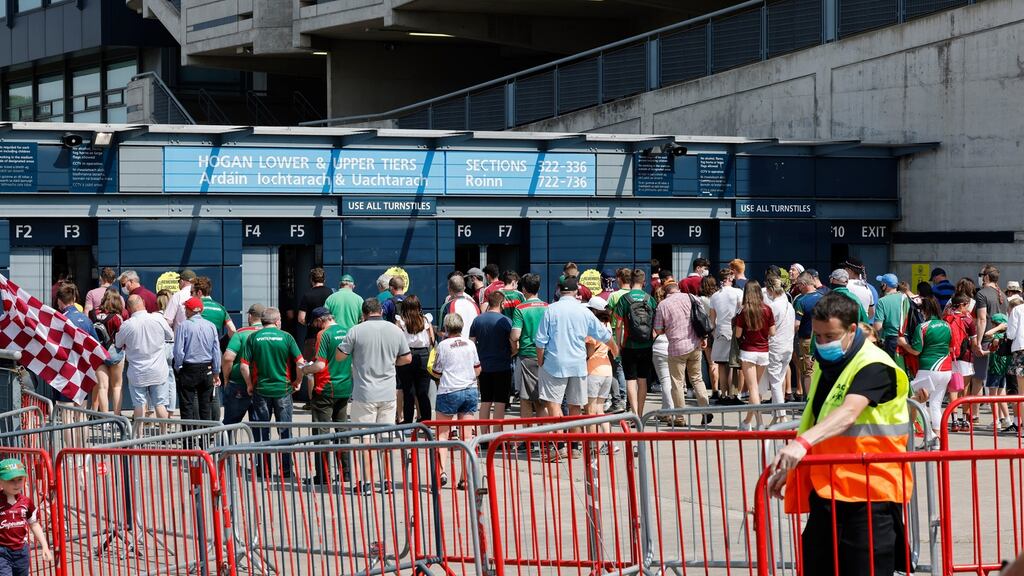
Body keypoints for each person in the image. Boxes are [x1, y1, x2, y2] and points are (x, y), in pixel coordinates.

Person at [768, 292, 911, 576]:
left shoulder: (875, 365)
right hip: (828, 493)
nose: (822, 343)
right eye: (818, 336)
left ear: (853, 330)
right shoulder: (829, 364)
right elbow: (816, 419)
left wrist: (800, 444)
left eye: (830, 336)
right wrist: (796, 465)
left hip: (870, 497)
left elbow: (848, 413)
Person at [535, 276, 614, 447]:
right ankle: (574, 445)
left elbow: (540, 341)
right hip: (578, 365)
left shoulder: (550, 310)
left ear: (559, 291)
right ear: (576, 292)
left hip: (554, 363)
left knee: (554, 405)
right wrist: (616, 350)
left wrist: (540, 362)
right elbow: (604, 335)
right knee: (575, 407)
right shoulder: (584, 311)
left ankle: (560, 445)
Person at [240, 307, 305, 479]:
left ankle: (264, 469)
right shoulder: (286, 337)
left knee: (263, 430)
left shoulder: (253, 337)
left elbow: (244, 365)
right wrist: (298, 381)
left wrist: (249, 384)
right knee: (285, 430)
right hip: (283, 389)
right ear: (277, 321)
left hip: (261, 390)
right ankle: (285, 470)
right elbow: (300, 363)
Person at [336, 298, 412, 425]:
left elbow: (340, 356)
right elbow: (407, 358)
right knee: (385, 437)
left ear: (364, 314)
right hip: (388, 392)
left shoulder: (355, 330)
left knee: (364, 437)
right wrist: (393, 362)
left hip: (364, 393)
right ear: (381, 311)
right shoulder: (395, 330)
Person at [300, 306, 353, 486]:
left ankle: (322, 475)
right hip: (345, 387)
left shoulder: (324, 335)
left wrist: (306, 369)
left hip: (325, 387)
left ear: (320, 320)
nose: (315, 327)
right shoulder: (347, 331)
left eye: (315, 323)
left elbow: (320, 365)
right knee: (342, 430)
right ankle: (345, 472)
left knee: (321, 432)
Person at [654, 277, 713, 424]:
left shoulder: (663, 305)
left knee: (678, 383)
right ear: (677, 288)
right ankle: (705, 411)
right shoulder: (692, 297)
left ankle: (680, 417)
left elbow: (658, 330)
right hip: (695, 344)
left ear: (666, 291)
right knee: (697, 378)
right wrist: (703, 337)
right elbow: (702, 318)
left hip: (676, 348)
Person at [898, 296, 952, 444]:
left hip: (928, 368)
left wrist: (903, 344)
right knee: (935, 404)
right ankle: (937, 438)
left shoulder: (923, 327)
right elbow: (951, 347)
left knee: (919, 403)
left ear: (925, 310)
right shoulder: (947, 325)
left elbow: (916, 350)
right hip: (946, 369)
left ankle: (930, 437)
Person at [116, 295, 174, 424]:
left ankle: (138, 436)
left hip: (137, 372)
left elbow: (118, 343)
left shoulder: (127, 325)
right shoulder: (158, 319)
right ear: (143, 302)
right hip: (158, 370)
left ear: (129, 308)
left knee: (139, 405)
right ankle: (165, 436)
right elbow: (170, 335)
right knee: (160, 404)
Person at [614, 269, 657, 415]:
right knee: (643, 380)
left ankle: (634, 414)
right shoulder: (650, 299)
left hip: (629, 345)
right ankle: (640, 413)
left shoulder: (624, 299)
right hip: (646, 345)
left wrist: (618, 345)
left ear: (631, 281)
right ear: (644, 282)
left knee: (630, 380)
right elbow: (655, 326)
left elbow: (618, 326)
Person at [733, 281, 775, 429]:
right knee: (755, 388)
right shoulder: (768, 309)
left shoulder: (744, 311)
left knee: (753, 389)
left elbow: (738, 334)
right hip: (763, 352)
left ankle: (759, 423)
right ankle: (746, 422)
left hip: (748, 351)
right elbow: (772, 332)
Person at [0, 458, 53, 573]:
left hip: (21, 552)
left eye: (19, 479)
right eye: (11, 480)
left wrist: (45, 546)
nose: (16, 484)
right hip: (2, 552)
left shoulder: (26, 502)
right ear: (1, 481)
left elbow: (34, 524)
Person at [172, 297, 221, 421]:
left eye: (185, 308)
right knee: (206, 405)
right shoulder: (211, 326)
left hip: (189, 368)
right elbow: (216, 351)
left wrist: (178, 367)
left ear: (189, 310)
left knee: (187, 405)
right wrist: (216, 372)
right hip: (207, 368)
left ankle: (189, 437)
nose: (184, 311)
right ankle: (206, 436)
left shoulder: (183, 326)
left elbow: (178, 351)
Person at [471, 291, 513, 434]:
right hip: (502, 366)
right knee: (500, 403)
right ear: (501, 304)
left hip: (484, 367)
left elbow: (472, 344)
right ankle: (496, 436)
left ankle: (484, 437)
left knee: (485, 402)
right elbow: (513, 344)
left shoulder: (478, 320)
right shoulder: (506, 321)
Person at [969, 265, 1008, 424]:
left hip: (986, 340)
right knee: (999, 382)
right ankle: (1001, 418)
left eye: (981, 274)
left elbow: (982, 319)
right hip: (1001, 341)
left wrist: (977, 341)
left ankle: (975, 414)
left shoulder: (981, 294)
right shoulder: (1003, 295)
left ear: (986, 277)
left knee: (979, 378)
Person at [510, 274, 547, 423]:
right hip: (545, 357)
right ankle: (546, 437)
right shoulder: (547, 307)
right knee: (541, 400)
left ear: (524, 289)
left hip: (526, 356)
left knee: (525, 399)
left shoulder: (520, 309)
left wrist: (512, 341)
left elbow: (515, 335)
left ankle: (526, 440)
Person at [221, 304, 265, 425]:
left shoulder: (240, 333)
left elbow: (228, 358)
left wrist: (226, 378)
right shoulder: (271, 334)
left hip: (238, 383)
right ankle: (261, 444)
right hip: (262, 385)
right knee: (260, 427)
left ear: (250, 316)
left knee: (230, 425)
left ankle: (227, 444)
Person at [584, 296, 619, 443]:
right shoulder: (607, 326)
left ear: (593, 311)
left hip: (593, 370)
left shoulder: (592, 329)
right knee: (600, 408)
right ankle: (609, 441)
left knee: (591, 409)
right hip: (607, 370)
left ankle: (594, 442)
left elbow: (589, 352)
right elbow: (614, 351)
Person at [395, 295, 434, 423]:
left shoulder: (401, 321)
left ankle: (407, 421)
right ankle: (426, 421)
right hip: (423, 355)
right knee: (423, 392)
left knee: (408, 391)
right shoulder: (426, 320)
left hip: (406, 354)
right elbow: (432, 340)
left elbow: (397, 340)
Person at [709, 267, 744, 404]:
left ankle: (723, 394)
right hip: (734, 330)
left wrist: (714, 332)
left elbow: (712, 319)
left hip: (720, 330)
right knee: (734, 366)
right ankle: (733, 395)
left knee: (722, 365)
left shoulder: (715, 296)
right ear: (730, 278)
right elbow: (741, 312)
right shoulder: (737, 292)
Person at [89, 289, 126, 413]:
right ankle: (117, 417)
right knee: (117, 386)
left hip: (99, 352)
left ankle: (105, 419)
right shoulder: (117, 317)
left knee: (102, 387)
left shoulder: (92, 314)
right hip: (114, 353)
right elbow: (121, 337)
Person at [762, 277, 795, 418]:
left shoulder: (773, 307)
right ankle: (777, 413)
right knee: (778, 380)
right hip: (788, 345)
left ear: (770, 290)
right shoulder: (790, 305)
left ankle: (781, 414)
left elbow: (767, 328)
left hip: (776, 346)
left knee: (775, 382)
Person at [943, 295, 977, 432]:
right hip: (966, 357)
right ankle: (964, 421)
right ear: (963, 304)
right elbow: (974, 343)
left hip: (950, 357)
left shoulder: (946, 319)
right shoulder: (969, 321)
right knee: (965, 389)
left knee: (953, 389)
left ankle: (954, 421)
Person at [793, 272, 824, 402]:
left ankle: (808, 400)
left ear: (804, 284)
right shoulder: (824, 298)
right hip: (824, 339)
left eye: (799, 285)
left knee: (807, 371)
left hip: (806, 340)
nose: (798, 288)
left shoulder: (801, 300)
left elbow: (796, 324)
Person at [873, 273, 910, 370]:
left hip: (891, 341)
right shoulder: (906, 298)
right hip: (907, 340)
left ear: (885, 285)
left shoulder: (882, 301)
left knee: (892, 371)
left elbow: (877, 327)